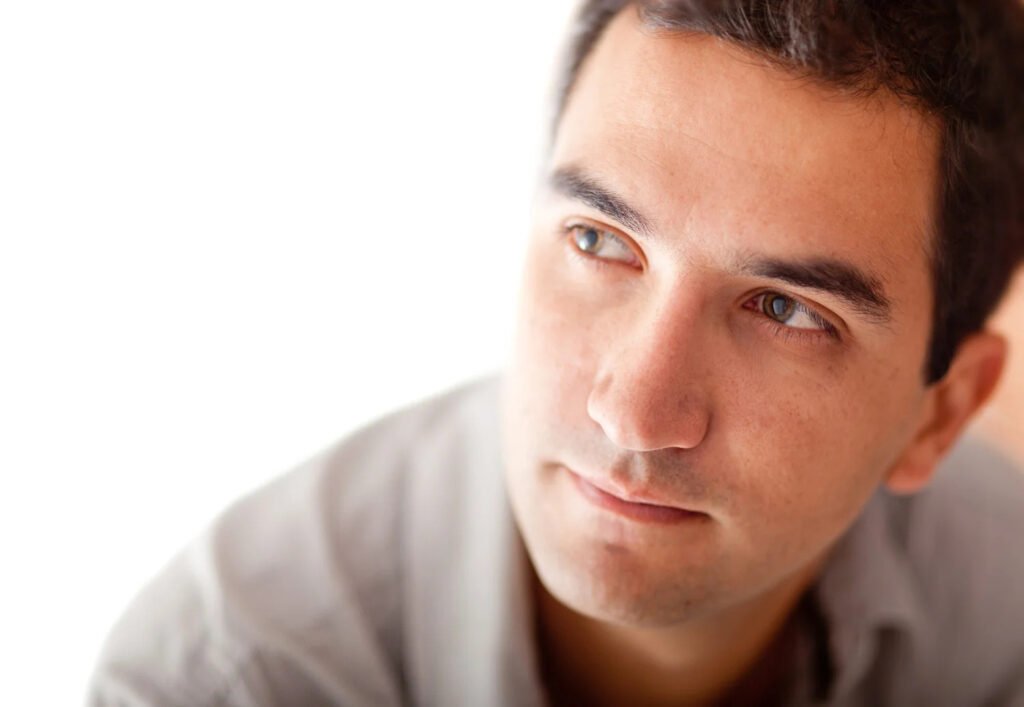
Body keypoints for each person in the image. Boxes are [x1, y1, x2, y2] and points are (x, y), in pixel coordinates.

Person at [89, 1, 1024, 705]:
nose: (634, 411)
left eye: (785, 309)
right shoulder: (226, 676)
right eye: (599, 240)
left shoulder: (1002, 628)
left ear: (939, 413)